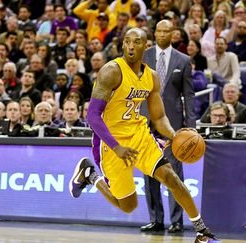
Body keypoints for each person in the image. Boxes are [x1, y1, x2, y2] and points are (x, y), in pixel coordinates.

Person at [69, 28, 218, 243]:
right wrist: (116, 147)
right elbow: (92, 116)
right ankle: (89, 175)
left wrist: (175, 135)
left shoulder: (151, 76)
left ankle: (202, 232)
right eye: (127, 41)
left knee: (171, 178)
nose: (130, 45)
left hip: (140, 135)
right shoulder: (111, 71)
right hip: (110, 142)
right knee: (127, 205)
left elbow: (158, 118)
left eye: (136, 41)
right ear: (122, 45)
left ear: (145, 45)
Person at [141, 20, 196, 233]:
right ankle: (156, 220)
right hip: (145, 123)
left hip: (172, 124)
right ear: (154, 33)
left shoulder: (183, 60)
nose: (162, 34)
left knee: (174, 174)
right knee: (149, 172)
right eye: (159, 31)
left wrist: (190, 127)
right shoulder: (143, 57)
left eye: (166, 31)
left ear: (173, 34)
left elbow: (188, 96)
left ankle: (176, 221)